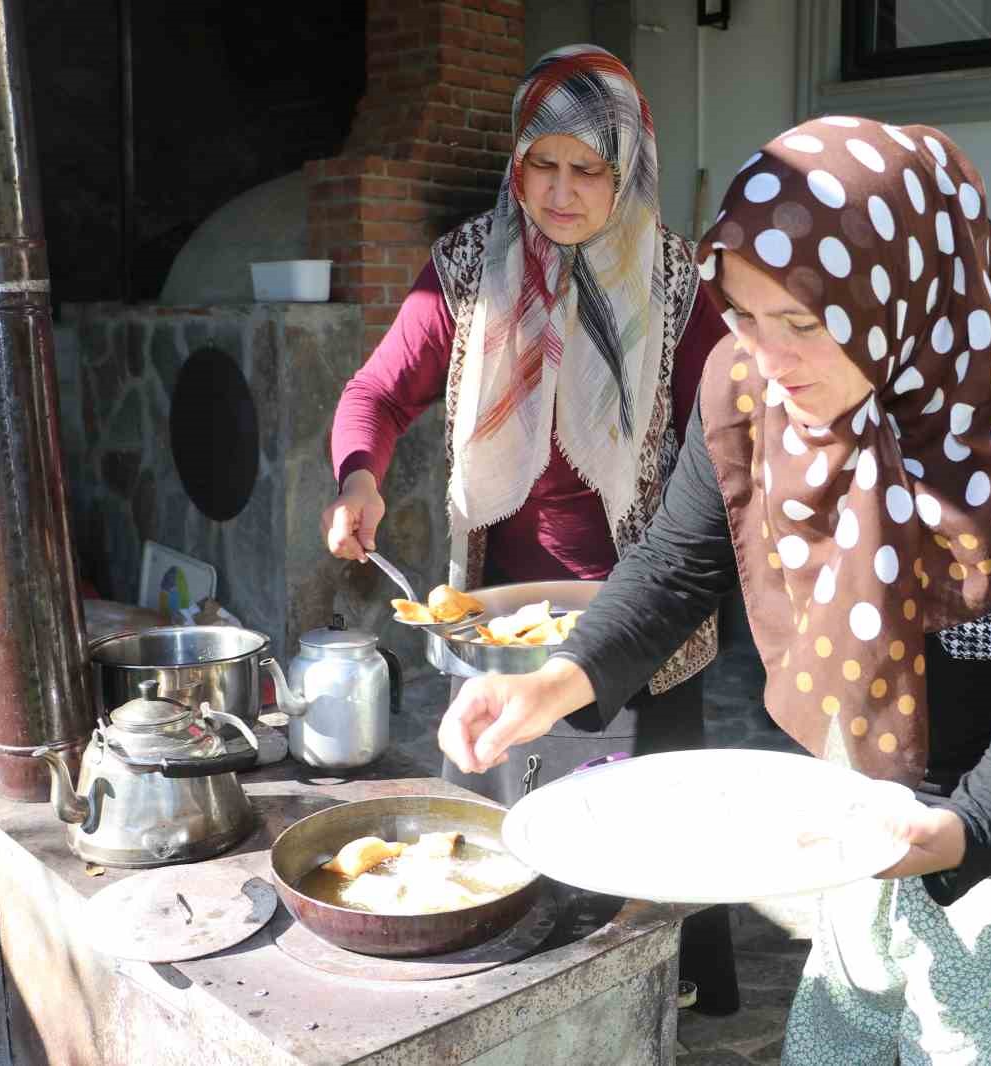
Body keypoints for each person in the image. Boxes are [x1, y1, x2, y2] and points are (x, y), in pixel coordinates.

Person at [439, 117, 991, 1065]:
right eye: (743, 315)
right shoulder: (747, 387)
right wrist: (554, 682)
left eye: (804, 323)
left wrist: (962, 829)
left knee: (969, 1048)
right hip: (862, 778)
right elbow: (677, 561)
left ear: (896, 294)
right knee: (841, 1033)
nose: (769, 359)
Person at [321, 45, 737, 1013]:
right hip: (505, 619)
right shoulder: (469, 269)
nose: (558, 191)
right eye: (539, 164)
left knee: (650, 836)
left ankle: (659, 999)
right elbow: (377, 392)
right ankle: (516, 997)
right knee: (503, 832)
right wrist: (357, 477)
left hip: (647, 612)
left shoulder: (677, 286)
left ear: (627, 168)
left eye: (585, 168)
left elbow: (724, 444)